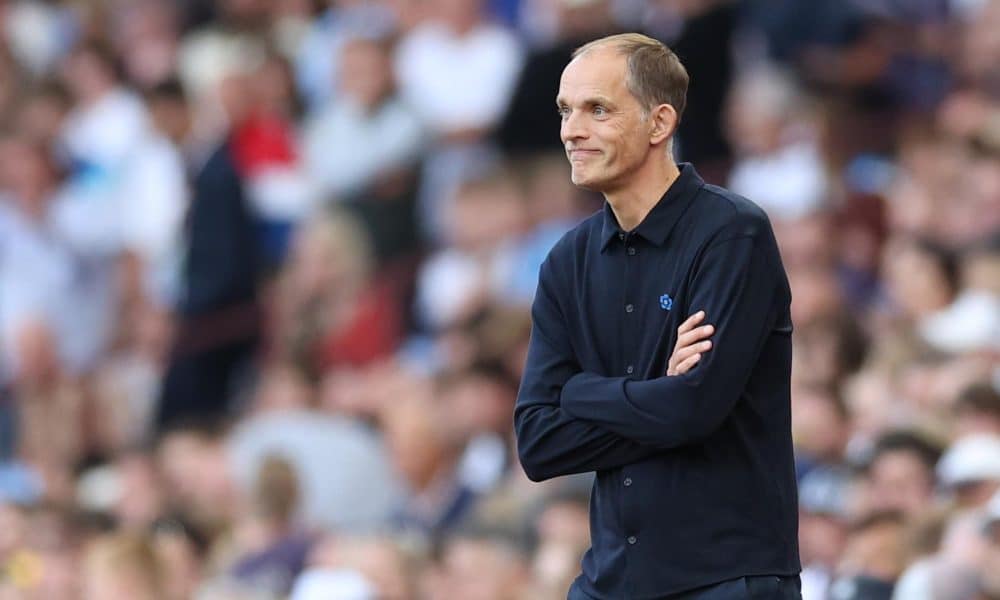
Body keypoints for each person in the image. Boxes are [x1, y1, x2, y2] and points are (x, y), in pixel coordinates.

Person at [513, 33, 801, 598]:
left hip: (726, 577)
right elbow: (537, 442)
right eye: (566, 111)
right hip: (610, 579)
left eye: (598, 109)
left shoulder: (731, 233)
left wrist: (578, 393)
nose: (572, 130)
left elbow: (693, 408)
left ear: (659, 122)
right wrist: (652, 391)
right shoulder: (566, 260)